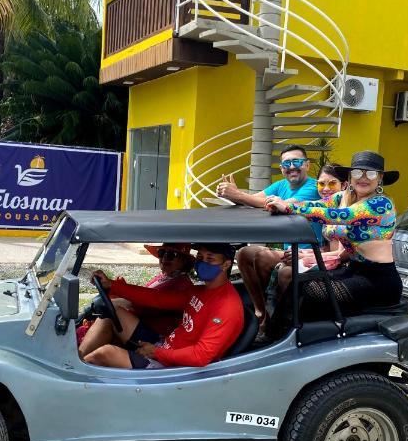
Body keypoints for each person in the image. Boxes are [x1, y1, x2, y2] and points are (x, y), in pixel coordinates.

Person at [265, 151, 403, 319]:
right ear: (350, 177)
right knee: (297, 284)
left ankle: (280, 334)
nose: (363, 178)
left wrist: (289, 208)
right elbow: (317, 204)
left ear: (379, 178)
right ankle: (273, 332)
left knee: (308, 292)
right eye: (358, 172)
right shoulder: (344, 197)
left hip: (379, 280)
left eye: (371, 173)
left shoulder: (381, 204)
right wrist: (283, 203)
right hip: (353, 270)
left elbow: (338, 216)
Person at [83, 244, 244, 369]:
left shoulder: (228, 307)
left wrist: (156, 352)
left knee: (105, 353)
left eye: (210, 259)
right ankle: (76, 358)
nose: (203, 263)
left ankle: (68, 384)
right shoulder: (199, 290)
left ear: (226, 265)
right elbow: (157, 299)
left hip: (177, 368)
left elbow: (201, 356)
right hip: (165, 346)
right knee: (111, 315)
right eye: (200, 258)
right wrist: (111, 285)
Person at [217, 145, 320, 327]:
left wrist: (238, 194)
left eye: (296, 161)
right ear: (281, 168)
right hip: (290, 252)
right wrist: (232, 194)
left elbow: (282, 205)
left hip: (313, 254)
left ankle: (275, 320)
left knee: (269, 262)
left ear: (307, 165)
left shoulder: (313, 187)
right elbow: (253, 200)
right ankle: (261, 312)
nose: (291, 167)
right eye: (286, 163)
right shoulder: (281, 185)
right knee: (244, 254)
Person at [265, 163, 349, 320]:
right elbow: (311, 206)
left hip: (344, 266)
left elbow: (341, 255)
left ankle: (286, 322)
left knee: (286, 272)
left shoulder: (349, 210)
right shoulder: (331, 204)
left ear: (344, 185)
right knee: (267, 261)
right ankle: (267, 316)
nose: (325, 188)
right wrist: (285, 205)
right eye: (321, 183)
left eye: (332, 183)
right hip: (329, 258)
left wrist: (304, 257)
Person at [79, 243, 194, 357]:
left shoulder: (182, 285)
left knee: (110, 314)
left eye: (171, 255)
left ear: (183, 260)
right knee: (104, 310)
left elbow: (152, 300)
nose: (164, 258)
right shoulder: (163, 277)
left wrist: (113, 286)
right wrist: (112, 289)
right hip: (143, 327)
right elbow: (142, 295)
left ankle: (78, 358)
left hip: (157, 340)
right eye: (162, 253)